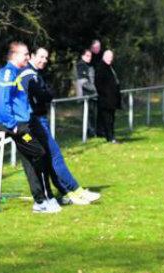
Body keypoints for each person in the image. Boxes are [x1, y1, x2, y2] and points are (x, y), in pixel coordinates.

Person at [21, 47, 101, 205]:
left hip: (39, 119)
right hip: (35, 121)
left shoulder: (36, 73)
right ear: (31, 56)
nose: (44, 60)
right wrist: (46, 94)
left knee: (50, 159)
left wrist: (46, 94)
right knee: (55, 156)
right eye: (41, 57)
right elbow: (43, 95)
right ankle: (76, 190)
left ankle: (68, 193)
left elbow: (47, 94)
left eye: (46, 57)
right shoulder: (29, 75)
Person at [0, 41, 60, 214]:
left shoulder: (16, 73)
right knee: (40, 153)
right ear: (14, 55)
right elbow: (2, 102)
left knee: (30, 160)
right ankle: (45, 197)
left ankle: (40, 201)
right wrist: (12, 125)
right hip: (19, 127)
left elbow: (19, 101)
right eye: (26, 54)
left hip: (24, 122)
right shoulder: (8, 73)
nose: (28, 57)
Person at [94, 50, 122, 144]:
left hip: (112, 99)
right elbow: (98, 84)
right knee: (107, 120)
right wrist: (106, 94)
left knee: (111, 119)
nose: (110, 59)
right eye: (108, 57)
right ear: (104, 57)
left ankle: (111, 136)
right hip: (106, 99)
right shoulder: (101, 68)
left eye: (111, 57)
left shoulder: (110, 67)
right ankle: (110, 137)